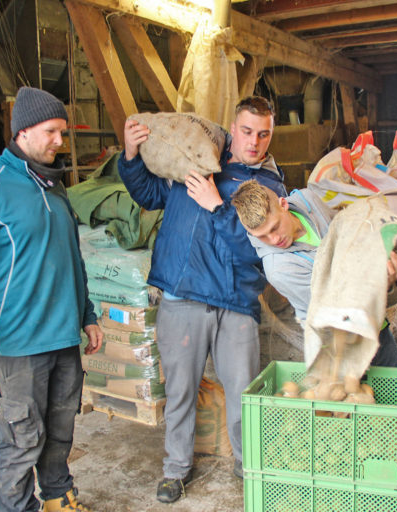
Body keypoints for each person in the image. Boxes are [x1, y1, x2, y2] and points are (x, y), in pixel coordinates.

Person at [118, 96, 286, 503]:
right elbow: (149, 194)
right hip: (183, 293)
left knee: (244, 394)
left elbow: (255, 249)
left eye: (264, 134)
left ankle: (249, 470)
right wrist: (130, 155)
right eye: (247, 131)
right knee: (180, 391)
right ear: (233, 126)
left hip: (235, 301)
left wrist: (216, 206)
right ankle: (175, 469)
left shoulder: (269, 186)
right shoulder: (194, 155)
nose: (254, 142)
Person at [0, 86, 103, 512]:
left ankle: (59, 499)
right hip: (16, 346)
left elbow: (72, 260)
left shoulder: (55, 188)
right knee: (21, 442)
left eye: (61, 132)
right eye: (52, 132)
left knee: (60, 433)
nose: (60, 141)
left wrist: (87, 315)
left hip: (63, 339)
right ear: (23, 132)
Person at [230, 180, 397, 368]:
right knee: (356, 395)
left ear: (284, 205)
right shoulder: (279, 269)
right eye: (262, 236)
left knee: (396, 388)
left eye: (274, 227)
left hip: (375, 325)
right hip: (339, 346)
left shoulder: (308, 200)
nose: (273, 239)